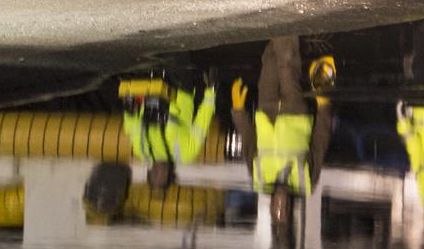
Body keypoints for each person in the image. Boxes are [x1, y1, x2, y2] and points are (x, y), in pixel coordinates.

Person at [231, 37, 333, 230]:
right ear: (291, 209)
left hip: (266, 112)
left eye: (276, 209)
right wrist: (324, 106)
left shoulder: (259, 179)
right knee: (286, 63)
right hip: (295, 112)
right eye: (284, 211)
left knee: (270, 60)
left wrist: (238, 112)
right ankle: (287, 23)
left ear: (269, 207)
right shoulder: (306, 182)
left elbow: (248, 141)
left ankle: (293, 38)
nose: (281, 205)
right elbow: (321, 141)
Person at [120, 75, 217, 172]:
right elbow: (202, 122)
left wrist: (129, 111)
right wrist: (210, 91)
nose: (159, 173)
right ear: (170, 174)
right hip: (181, 90)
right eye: (162, 177)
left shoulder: (142, 152)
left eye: (155, 175)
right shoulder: (186, 155)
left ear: (150, 171)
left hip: (150, 87)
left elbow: (132, 126)